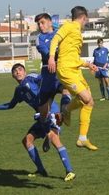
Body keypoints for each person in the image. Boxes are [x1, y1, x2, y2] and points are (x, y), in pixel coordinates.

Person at [0, 63, 76, 182]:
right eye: (15, 71)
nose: (18, 72)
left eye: (20, 69)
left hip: (52, 112)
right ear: (12, 76)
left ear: (24, 72)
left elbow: (45, 79)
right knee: (27, 141)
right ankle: (41, 170)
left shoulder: (31, 77)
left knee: (55, 139)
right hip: (41, 117)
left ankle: (69, 171)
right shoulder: (19, 90)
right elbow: (10, 105)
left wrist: (61, 88)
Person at [48, 6, 99, 151]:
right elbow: (55, 40)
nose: (85, 23)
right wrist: (52, 58)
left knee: (89, 103)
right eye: (86, 20)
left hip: (75, 70)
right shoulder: (69, 26)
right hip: (66, 70)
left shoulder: (77, 32)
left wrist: (88, 64)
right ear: (83, 17)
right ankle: (66, 110)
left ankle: (82, 138)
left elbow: (73, 56)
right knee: (86, 98)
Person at [34, 13, 72, 151]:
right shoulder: (39, 38)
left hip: (60, 73)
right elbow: (45, 53)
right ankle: (48, 134)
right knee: (43, 115)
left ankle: (63, 112)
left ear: (50, 22)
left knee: (67, 90)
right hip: (47, 77)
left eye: (42, 22)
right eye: (38, 24)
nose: (40, 26)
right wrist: (55, 53)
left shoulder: (60, 34)